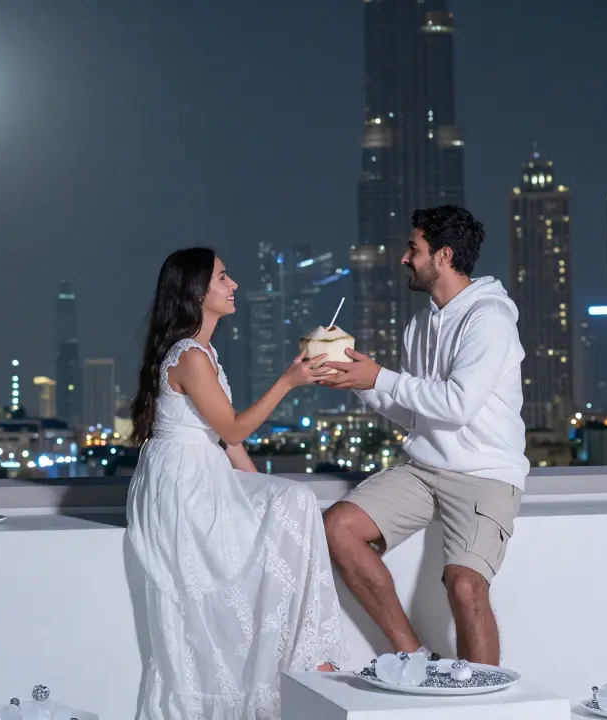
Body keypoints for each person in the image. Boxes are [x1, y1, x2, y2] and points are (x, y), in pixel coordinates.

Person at [126, 247, 349, 720]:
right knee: (291, 504)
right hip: (184, 487)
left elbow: (226, 443)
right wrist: (287, 381)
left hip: (203, 472)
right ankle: (306, 661)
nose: (234, 286)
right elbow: (232, 430)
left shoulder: (204, 353)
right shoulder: (189, 356)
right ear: (196, 292)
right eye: (223, 278)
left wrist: (262, 500)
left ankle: (306, 655)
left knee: (294, 501)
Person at [320, 205, 528, 666]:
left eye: (413, 249)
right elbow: (414, 413)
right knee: (338, 528)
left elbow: (458, 403)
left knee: (466, 585)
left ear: (444, 256)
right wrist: (358, 382)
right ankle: (414, 656)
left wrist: (380, 377)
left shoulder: (489, 317)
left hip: (485, 474)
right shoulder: (419, 325)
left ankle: (483, 704)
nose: (404, 258)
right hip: (423, 470)